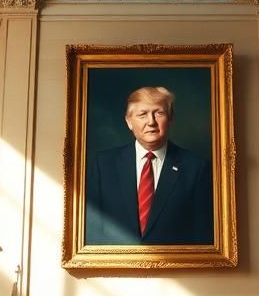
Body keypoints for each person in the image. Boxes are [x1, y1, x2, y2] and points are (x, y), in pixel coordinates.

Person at [85, 86, 213, 246]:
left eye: (159, 113)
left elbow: (202, 234)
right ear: (129, 121)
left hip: (176, 267)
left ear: (171, 118)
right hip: (115, 266)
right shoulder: (103, 164)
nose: (151, 122)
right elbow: (91, 227)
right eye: (142, 114)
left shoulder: (197, 167)